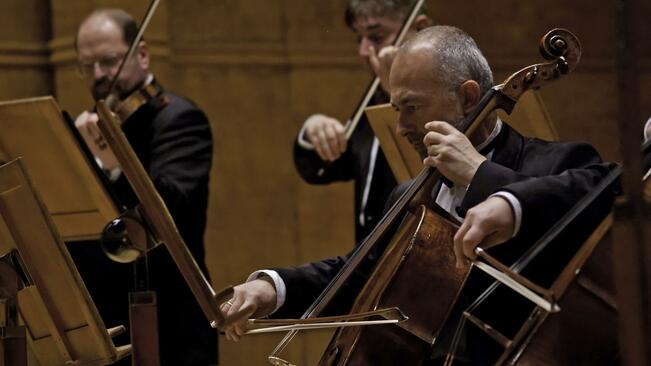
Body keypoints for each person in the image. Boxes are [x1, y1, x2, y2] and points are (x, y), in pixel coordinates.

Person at [220, 26, 614, 362]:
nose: (401, 126)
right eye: (397, 108)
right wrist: (270, 287)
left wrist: (480, 174)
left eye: (412, 107)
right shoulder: (409, 194)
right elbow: (359, 274)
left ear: (469, 97)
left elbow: (594, 206)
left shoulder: (559, 165)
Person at [67, 8, 217, 365]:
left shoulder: (179, 119)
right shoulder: (91, 129)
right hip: (105, 325)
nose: (100, 75)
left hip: (169, 324)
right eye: (87, 66)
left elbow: (172, 208)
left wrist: (115, 165)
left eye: (109, 61)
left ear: (143, 54)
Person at [294, 0, 432, 242]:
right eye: (360, 39)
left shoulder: (446, 102)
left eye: (376, 37)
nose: (363, 51)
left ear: (419, 29)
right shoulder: (374, 99)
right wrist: (313, 129)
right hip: (372, 261)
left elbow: (431, 176)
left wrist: (397, 99)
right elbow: (321, 170)